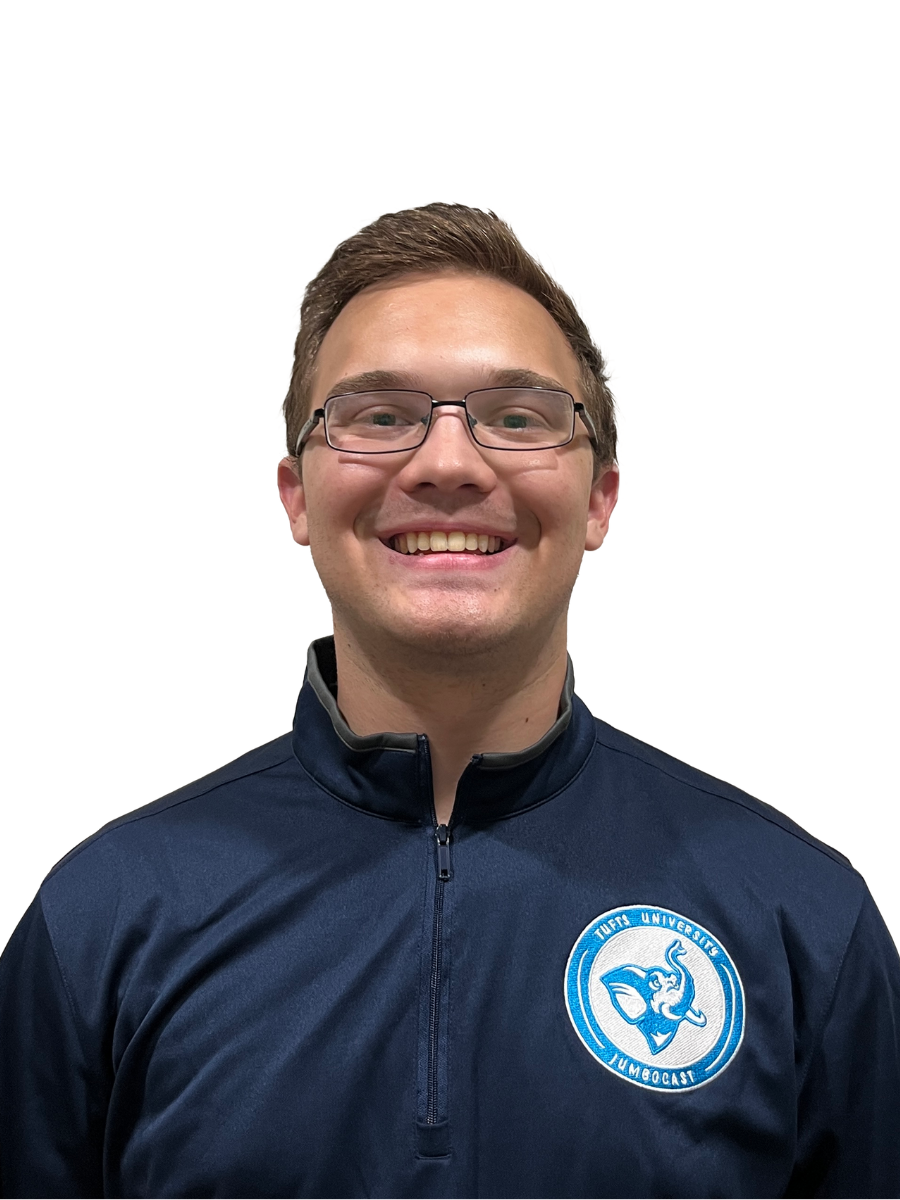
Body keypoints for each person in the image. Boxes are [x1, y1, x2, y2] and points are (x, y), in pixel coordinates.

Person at [1, 200, 898, 1198]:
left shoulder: (802, 917)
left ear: (599, 502)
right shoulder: (98, 925)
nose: (448, 463)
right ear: (296, 497)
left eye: (517, 417)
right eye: (380, 416)